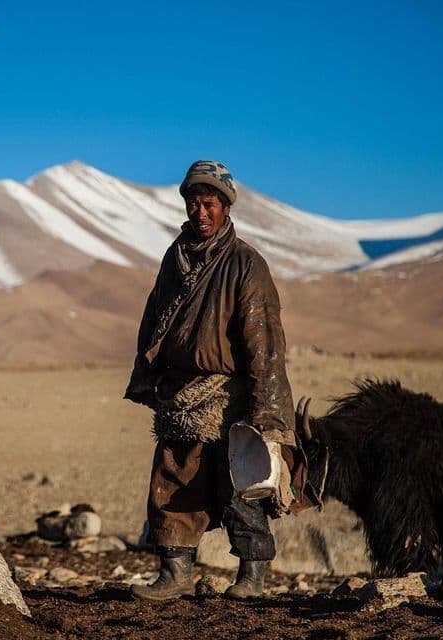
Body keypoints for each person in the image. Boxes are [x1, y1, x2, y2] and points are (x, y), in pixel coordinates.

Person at [125, 159, 299, 601]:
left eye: (209, 204)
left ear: (225, 208)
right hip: (180, 396)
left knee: (240, 484)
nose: (200, 212)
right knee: (172, 481)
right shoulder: (176, 258)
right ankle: (175, 574)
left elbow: (264, 342)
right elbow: (155, 318)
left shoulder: (245, 264)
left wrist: (267, 412)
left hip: (229, 395)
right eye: (194, 203)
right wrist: (149, 375)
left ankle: (252, 577)